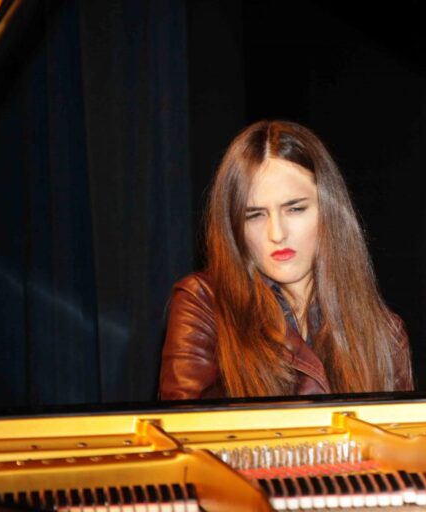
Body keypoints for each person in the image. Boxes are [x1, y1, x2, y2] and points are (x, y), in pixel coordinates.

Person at [159, 120, 412, 399]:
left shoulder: (384, 334)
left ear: (329, 210)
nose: (277, 234)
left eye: (294, 209)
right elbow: (185, 423)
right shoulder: (204, 304)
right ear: (234, 225)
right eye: (255, 215)